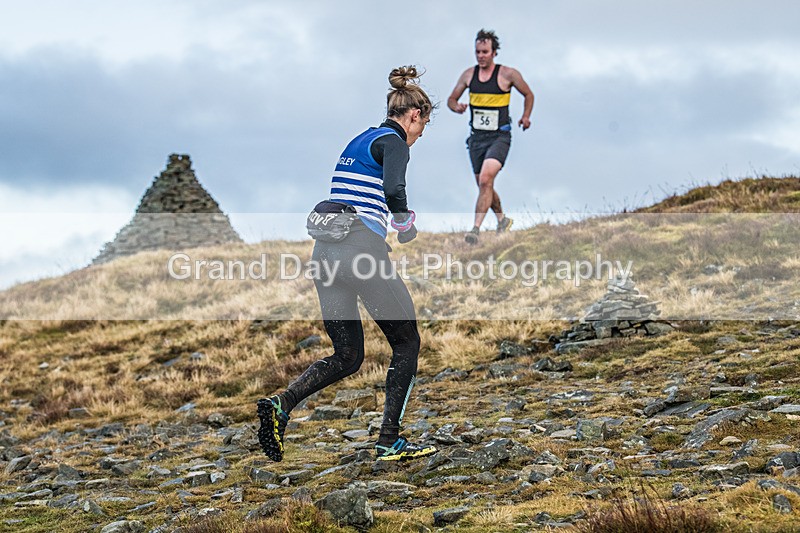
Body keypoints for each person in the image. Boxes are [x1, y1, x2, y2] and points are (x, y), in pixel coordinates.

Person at [257, 66, 438, 463]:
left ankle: (281, 405)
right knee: (407, 341)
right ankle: (389, 440)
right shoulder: (395, 142)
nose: (419, 135)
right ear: (414, 115)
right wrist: (404, 222)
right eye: (422, 126)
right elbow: (393, 188)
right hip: (359, 252)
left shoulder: (359, 139)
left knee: (347, 356)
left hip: (324, 255)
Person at [447, 29, 534, 244]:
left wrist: (525, 116)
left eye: (485, 52)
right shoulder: (468, 75)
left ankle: (475, 231)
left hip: (500, 137)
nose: (480, 56)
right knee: (484, 185)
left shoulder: (508, 74)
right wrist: (456, 107)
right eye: (477, 52)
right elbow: (451, 98)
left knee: (486, 180)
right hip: (476, 139)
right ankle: (503, 221)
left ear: (494, 52)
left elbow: (529, 94)